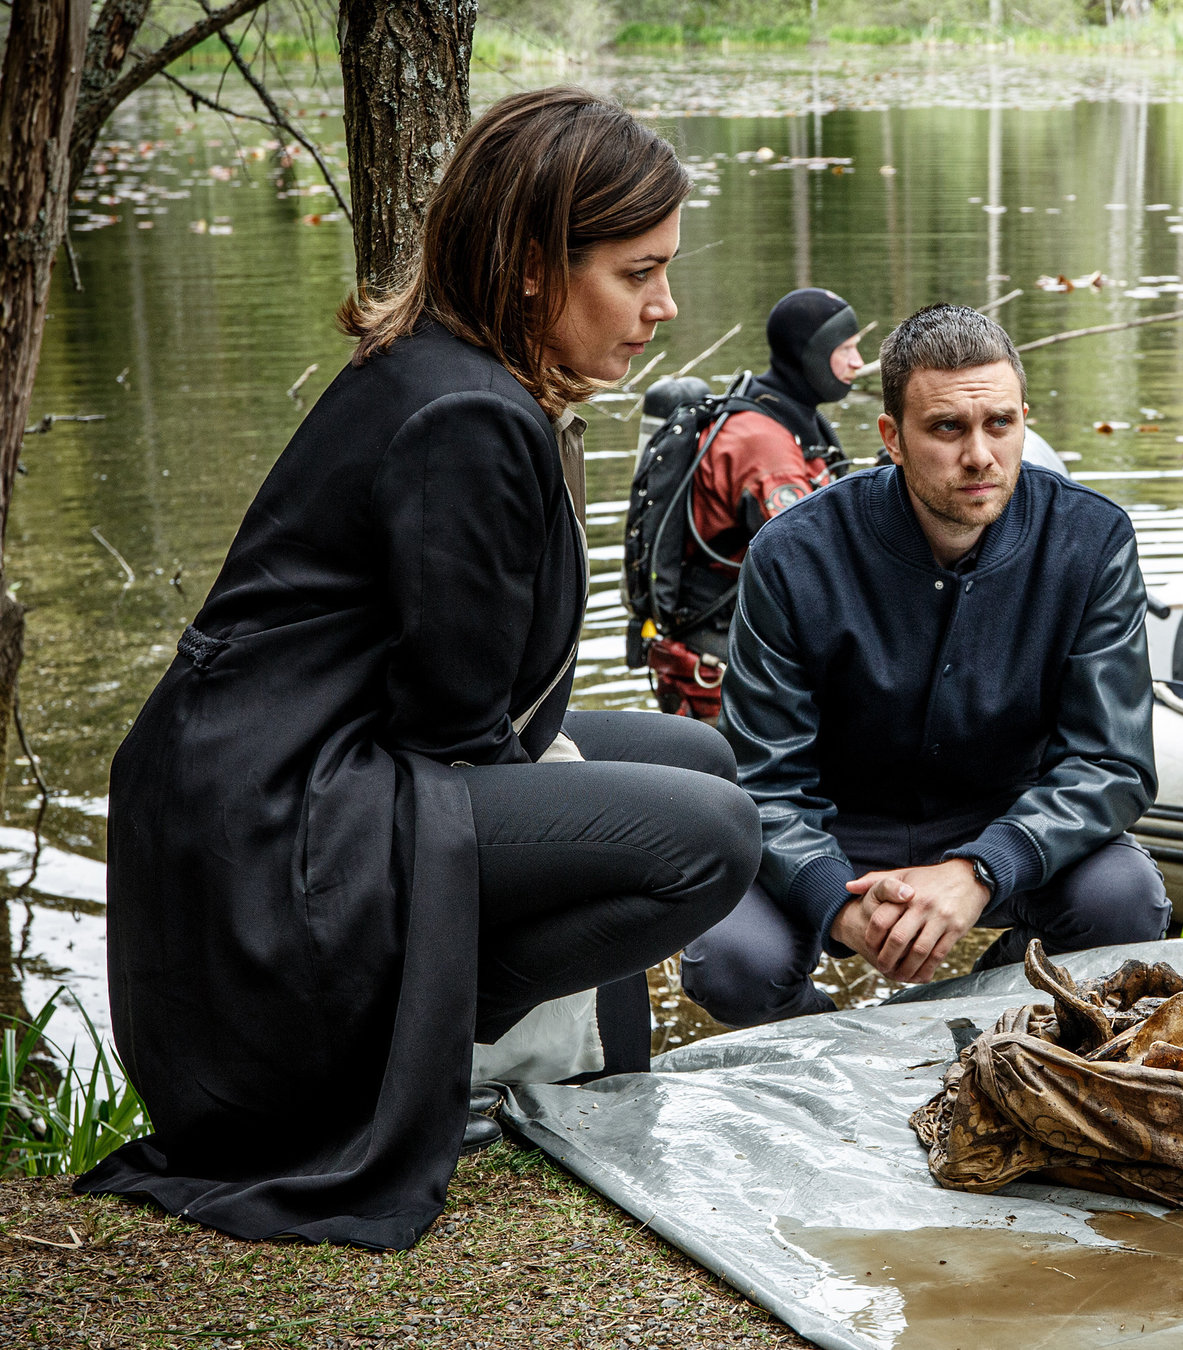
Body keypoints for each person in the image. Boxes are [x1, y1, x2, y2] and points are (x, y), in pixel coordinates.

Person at [81, 88, 762, 1249]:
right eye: (637, 273)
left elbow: (467, 708)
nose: (665, 305)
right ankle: (402, 1052)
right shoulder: (467, 417)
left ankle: (429, 1026)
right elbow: (455, 729)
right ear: (539, 267)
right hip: (280, 827)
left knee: (698, 752)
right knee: (711, 838)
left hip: (277, 784)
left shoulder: (446, 370)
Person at [681, 303, 1171, 1027]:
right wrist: (838, 905)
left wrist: (981, 869)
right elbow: (765, 780)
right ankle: (828, 1047)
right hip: (840, 828)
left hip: (1005, 813)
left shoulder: (1092, 539)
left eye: (1000, 423)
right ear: (893, 438)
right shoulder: (791, 554)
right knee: (730, 957)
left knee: (1125, 900)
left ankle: (993, 1016)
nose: (980, 455)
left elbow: (1110, 763)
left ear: (1024, 419)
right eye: (948, 428)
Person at [650, 289, 862, 717]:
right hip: (717, 673)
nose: (857, 362)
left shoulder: (784, 413)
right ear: (812, 356)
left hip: (727, 652)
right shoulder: (765, 446)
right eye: (846, 350)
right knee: (725, 785)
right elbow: (812, 562)